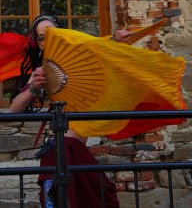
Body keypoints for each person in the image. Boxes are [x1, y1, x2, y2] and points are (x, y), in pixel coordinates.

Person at [10, 15, 128, 208]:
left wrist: (114, 40)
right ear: (37, 43)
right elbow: (15, 109)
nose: (47, 40)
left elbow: (98, 50)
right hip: (59, 146)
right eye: (41, 37)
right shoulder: (41, 71)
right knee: (60, 199)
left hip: (76, 147)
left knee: (100, 196)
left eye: (52, 34)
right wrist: (33, 88)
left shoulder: (78, 59)